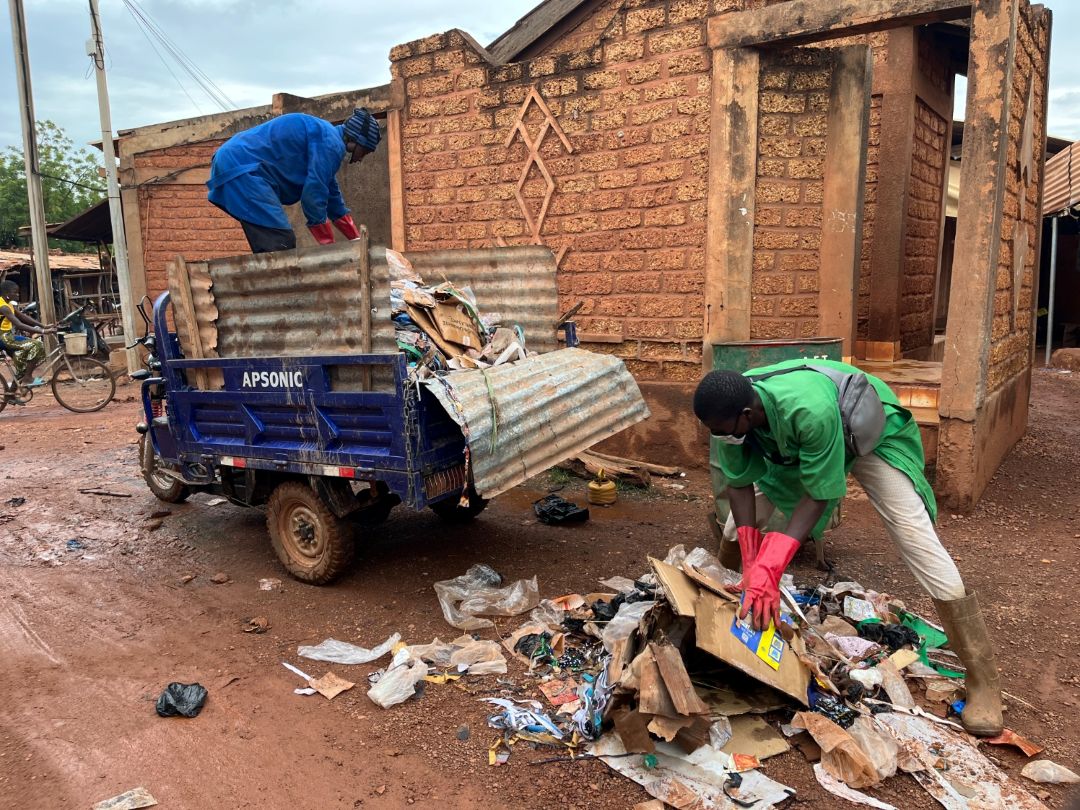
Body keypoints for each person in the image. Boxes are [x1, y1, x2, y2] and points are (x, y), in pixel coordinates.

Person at [692, 358, 1003, 737]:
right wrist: (753, 564)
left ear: (746, 413)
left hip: (862, 430)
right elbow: (738, 483)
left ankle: (982, 678)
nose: (719, 437)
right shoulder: (727, 415)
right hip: (789, 440)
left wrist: (772, 567)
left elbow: (818, 494)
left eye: (723, 431)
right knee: (734, 531)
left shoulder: (808, 410)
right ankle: (725, 613)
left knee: (914, 537)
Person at [206, 108, 381, 253]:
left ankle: (268, 291)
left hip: (235, 163)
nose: (361, 159)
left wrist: (357, 241)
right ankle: (274, 294)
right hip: (243, 169)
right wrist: (330, 250)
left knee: (274, 242)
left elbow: (331, 196)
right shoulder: (331, 144)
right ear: (357, 141)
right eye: (365, 151)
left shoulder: (327, 138)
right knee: (279, 241)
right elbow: (314, 194)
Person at [0, 280, 54, 387]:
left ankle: (11, 393)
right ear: (7, 295)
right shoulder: (3, 307)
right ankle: (27, 378)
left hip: (8, 336)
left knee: (24, 362)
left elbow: (23, 317)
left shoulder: (8, 304)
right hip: (3, 338)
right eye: (15, 292)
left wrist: (43, 325)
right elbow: (19, 324)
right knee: (37, 345)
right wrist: (43, 331)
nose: (17, 295)